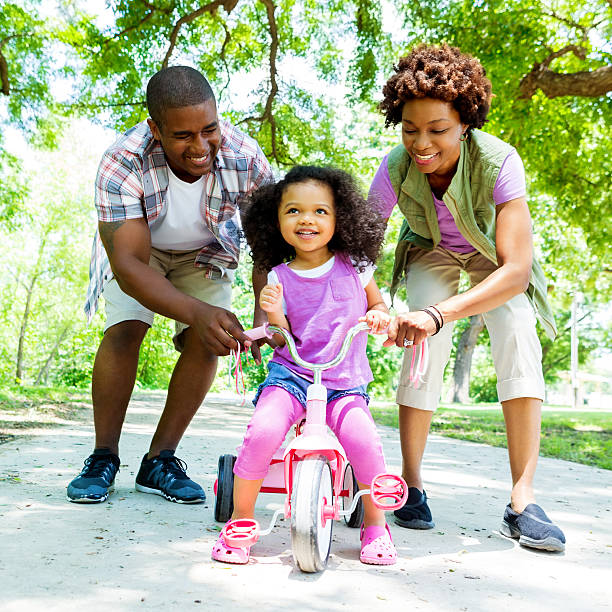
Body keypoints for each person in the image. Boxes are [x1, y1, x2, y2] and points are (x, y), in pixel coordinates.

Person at [369, 44, 565, 552]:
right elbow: (360, 246)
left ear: (464, 123)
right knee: (420, 342)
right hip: (430, 250)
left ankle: (523, 502)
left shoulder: (500, 160)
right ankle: (411, 487)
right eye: (411, 129)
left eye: (438, 129)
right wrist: (378, 306)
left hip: (491, 259)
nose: (422, 142)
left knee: (517, 330)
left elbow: (516, 269)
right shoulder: (394, 167)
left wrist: (441, 313)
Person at [67, 66, 273, 505]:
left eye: (209, 129)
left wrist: (263, 314)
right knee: (125, 329)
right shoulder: (122, 160)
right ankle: (103, 456)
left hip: (206, 251)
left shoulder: (246, 157)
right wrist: (195, 311)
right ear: (155, 129)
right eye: (183, 135)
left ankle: (159, 460)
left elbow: (268, 245)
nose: (201, 147)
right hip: (140, 252)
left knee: (211, 337)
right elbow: (126, 265)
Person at [211, 165, 397, 565]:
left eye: (320, 212)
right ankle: (242, 520)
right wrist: (274, 319)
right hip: (292, 376)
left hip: (344, 380)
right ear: (275, 221)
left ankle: (376, 526)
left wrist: (380, 314)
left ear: (340, 218)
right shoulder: (277, 276)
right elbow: (281, 338)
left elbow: (378, 304)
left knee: (364, 442)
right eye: (293, 211)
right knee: (262, 433)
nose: (306, 219)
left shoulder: (355, 266)